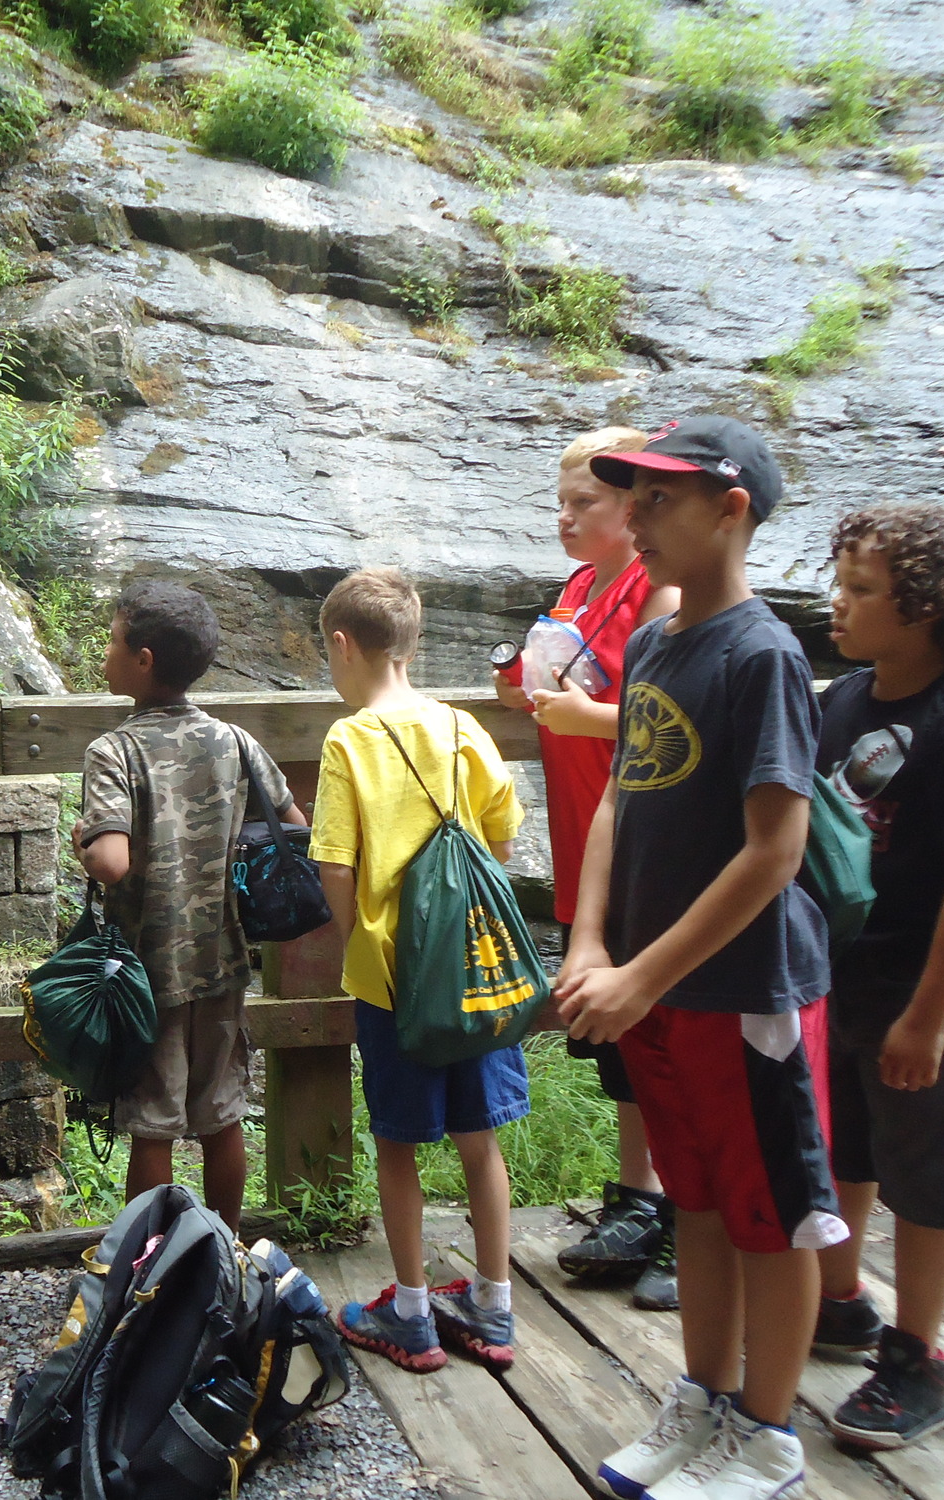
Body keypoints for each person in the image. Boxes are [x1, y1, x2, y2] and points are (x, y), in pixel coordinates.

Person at [559, 417, 845, 1500]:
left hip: (743, 993)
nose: (632, 518)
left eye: (657, 501)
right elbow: (621, 806)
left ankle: (766, 1438)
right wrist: (592, 942)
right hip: (659, 991)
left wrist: (642, 975)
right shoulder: (653, 644)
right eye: (625, 498)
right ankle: (703, 1404)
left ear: (730, 512)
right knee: (697, 1202)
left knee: (768, 1216)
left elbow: (774, 851)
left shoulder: (763, 654)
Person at [811, 503, 944, 1451]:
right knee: (847, 1153)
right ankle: (841, 1300)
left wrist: (929, 1019)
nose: (837, 605)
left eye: (860, 590)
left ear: (925, 608)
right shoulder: (844, 701)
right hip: (843, 979)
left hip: (925, 992)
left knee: (926, 1180)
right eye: (840, 582)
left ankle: (918, 1357)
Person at [311, 567, 527, 1375]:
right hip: (473, 969)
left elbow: (334, 862)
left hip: (394, 979)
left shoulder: (349, 739)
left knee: (398, 1142)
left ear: (343, 645)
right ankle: (494, 1308)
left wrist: (356, 940)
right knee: (481, 1140)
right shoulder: (462, 726)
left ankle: (409, 1312)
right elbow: (502, 832)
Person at [495, 426, 683, 1312]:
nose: (565, 518)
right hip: (585, 845)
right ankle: (641, 1199)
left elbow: (668, 716)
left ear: (635, 509)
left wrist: (582, 716)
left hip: (649, 839)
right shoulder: (579, 585)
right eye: (561, 502)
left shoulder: (658, 587)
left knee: (673, 1034)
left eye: (585, 505)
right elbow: (569, 678)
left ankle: (693, 1214)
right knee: (618, 1044)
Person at [73, 580, 304, 1233]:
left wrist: (85, 844)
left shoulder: (113, 751)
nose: (107, 650)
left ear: (143, 660)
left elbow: (112, 862)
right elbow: (292, 823)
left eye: (114, 640)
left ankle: (151, 1266)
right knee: (221, 1117)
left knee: (154, 1127)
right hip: (224, 962)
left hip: (149, 974)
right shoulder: (234, 740)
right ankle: (223, 1251)